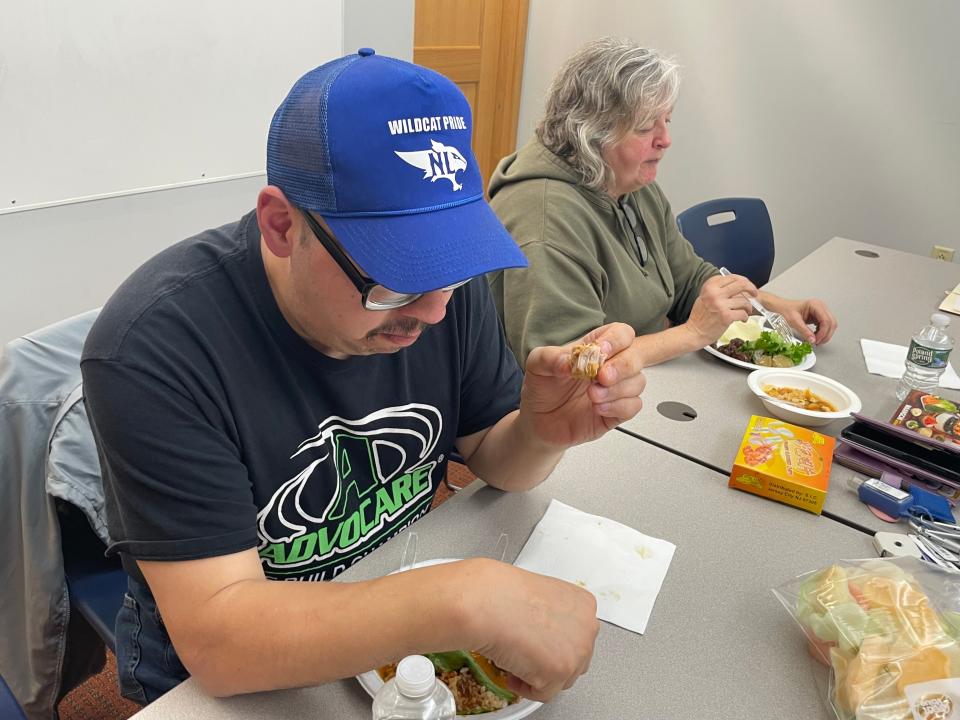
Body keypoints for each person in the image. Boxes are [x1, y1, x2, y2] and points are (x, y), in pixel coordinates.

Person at [80, 49, 646, 706]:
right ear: (282, 225)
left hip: (390, 608)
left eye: (450, 269)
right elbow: (221, 642)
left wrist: (543, 431)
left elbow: (496, 457)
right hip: (224, 681)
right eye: (396, 278)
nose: (434, 311)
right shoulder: (154, 350)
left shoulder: (439, 295)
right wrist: (458, 600)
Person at [488, 37, 837, 367]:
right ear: (591, 133)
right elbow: (573, 364)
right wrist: (693, 333)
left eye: (666, 121)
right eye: (644, 128)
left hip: (646, 384)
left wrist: (773, 307)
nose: (666, 140)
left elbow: (688, 278)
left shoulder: (630, 184)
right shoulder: (545, 221)